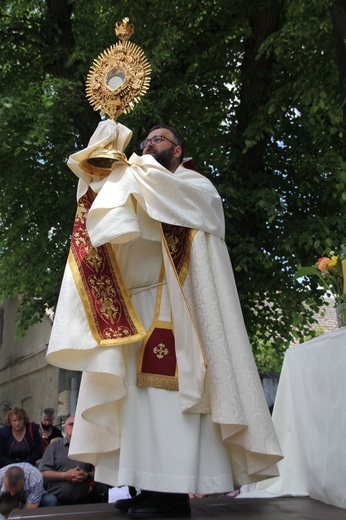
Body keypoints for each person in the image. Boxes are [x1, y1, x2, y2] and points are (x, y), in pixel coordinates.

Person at [46, 120, 283, 518]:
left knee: (170, 406)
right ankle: (147, 486)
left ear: (177, 150)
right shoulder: (138, 183)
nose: (148, 144)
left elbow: (164, 201)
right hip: (135, 313)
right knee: (137, 407)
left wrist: (130, 173)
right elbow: (109, 215)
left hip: (179, 313)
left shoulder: (194, 186)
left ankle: (173, 496)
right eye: (145, 139)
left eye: (159, 139)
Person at [38, 417, 94, 506]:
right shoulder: (55, 446)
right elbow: (43, 472)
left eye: (77, 424)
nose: (74, 427)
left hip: (83, 502)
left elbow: (98, 473)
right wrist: (65, 476)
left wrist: (86, 475)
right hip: (57, 502)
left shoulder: (88, 448)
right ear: (65, 428)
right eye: (71, 424)